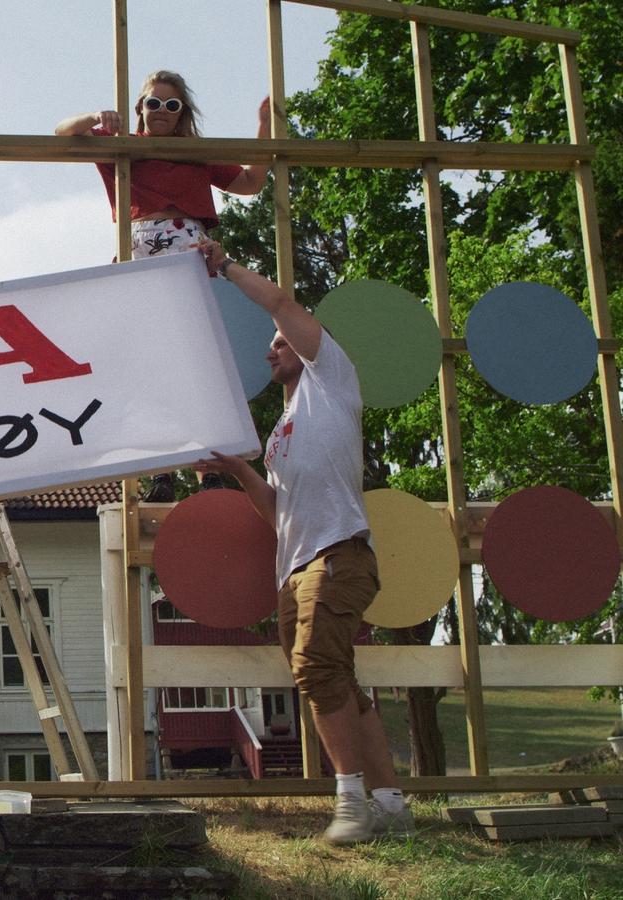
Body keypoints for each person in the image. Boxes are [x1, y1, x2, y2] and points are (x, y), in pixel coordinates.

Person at [192, 239, 413, 845]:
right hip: (294, 567)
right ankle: (391, 805)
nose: (271, 350)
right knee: (337, 681)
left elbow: (281, 304)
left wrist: (225, 266)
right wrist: (240, 471)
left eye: (281, 344)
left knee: (316, 670)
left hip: (337, 553)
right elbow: (278, 511)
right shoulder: (282, 429)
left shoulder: (332, 379)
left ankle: (350, 803)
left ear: (312, 345)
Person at [57, 70, 272, 501]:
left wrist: (265, 128)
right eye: (153, 103)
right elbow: (63, 133)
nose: (160, 111)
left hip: (188, 249)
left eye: (171, 105)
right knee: (147, 361)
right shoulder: (123, 146)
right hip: (140, 249)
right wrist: (96, 116)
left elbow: (250, 182)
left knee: (198, 360)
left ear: (182, 113)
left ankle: (208, 469)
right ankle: (161, 470)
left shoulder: (193, 152)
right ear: (140, 107)